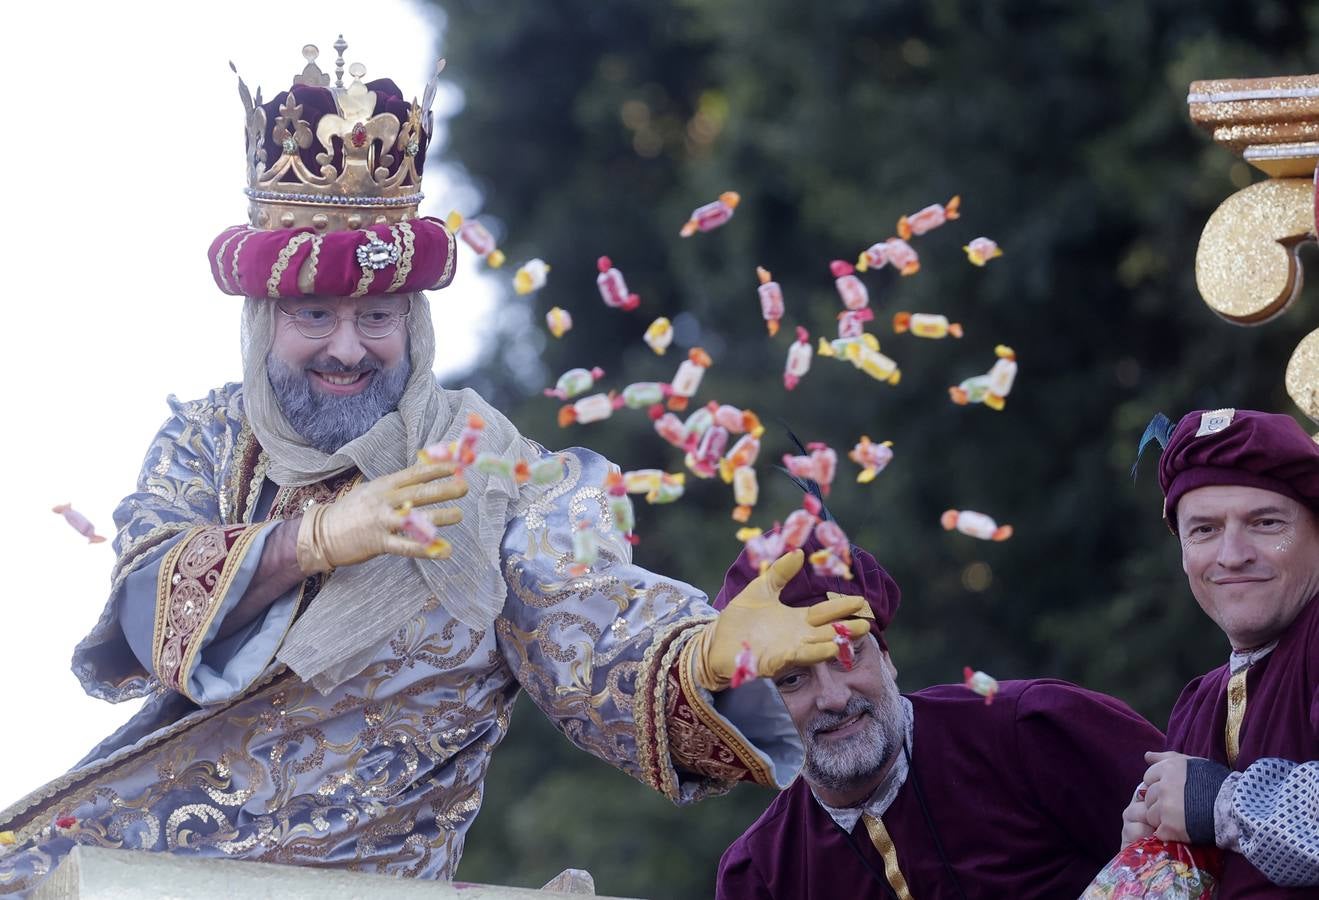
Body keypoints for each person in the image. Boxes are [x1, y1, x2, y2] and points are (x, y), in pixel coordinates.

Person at [0, 43, 868, 895]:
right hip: (145, 868)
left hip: (376, 886)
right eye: (313, 313)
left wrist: (700, 653)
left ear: (413, 323)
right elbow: (150, 607)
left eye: (377, 315)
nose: (348, 348)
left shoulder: (500, 475)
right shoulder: (206, 440)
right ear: (264, 321)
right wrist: (312, 541)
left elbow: (583, 623)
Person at [716, 531, 1165, 899]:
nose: (833, 698)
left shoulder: (1035, 731)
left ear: (886, 657)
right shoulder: (760, 878)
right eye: (791, 680)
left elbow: (1209, 853)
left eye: (846, 656)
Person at [1121, 407, 1319, 893]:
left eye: (1266, 522)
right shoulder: (1198, 701)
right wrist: (1150, 859)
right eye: (1204, 530)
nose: (1232, 554)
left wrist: (1223, 803)